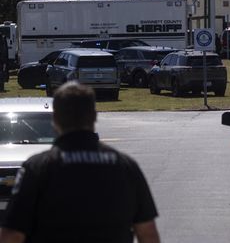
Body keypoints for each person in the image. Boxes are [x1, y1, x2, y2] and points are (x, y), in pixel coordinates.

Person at [0, 82, 161, 243]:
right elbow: (148, 234)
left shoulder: (37, 168)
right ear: (94, 116)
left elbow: (12, 235)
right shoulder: (125, 166)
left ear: (55, 119)